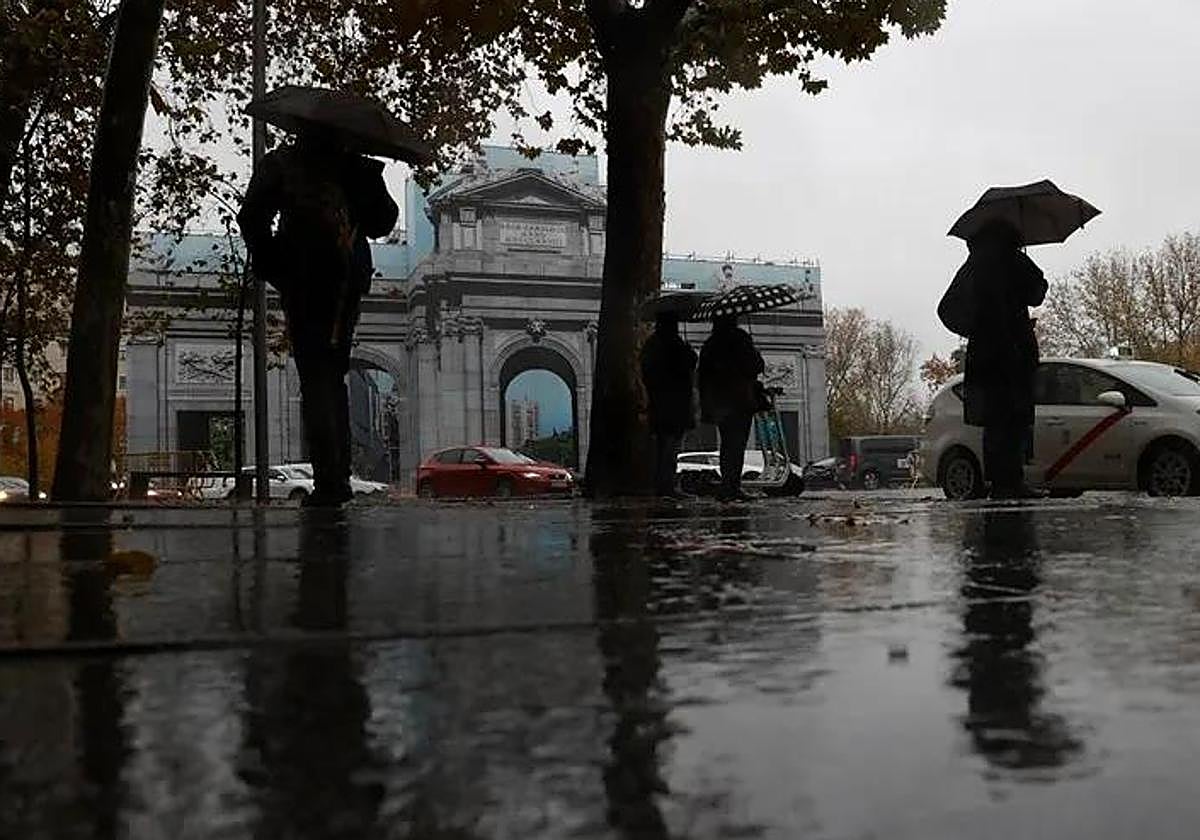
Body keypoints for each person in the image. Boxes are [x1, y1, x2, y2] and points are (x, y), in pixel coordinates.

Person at [238, 131, 399, 506]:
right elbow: (383, 222)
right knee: (334, 373)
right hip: (347, 276)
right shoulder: (356, 166)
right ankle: (336, 477)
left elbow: (252, 217)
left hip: (303, 276)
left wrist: (272, 262)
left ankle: (330, 481)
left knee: (315, 376)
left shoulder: (282, 163)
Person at [956, 220, 1048, 499]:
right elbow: (1037, 293)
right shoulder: (1013, 260)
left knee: (994, 420)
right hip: (1012, 351)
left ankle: (999, 481)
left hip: (983, 354)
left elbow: (952, 306)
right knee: (1013, 417)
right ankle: (1012, 480)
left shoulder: (974, 265)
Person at [698, 314, 764, 501]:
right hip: (740, 399)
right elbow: (756, 366)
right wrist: (755, 352)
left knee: (727, 444)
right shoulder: (740, 339)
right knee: (738, 445)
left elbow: (702, 375)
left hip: (719, 401)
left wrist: (705, 405)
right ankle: (732, 487)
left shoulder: (710, 344)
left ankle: (728, 485)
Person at [640, 312, 698, 497]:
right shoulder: (673, 344)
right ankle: (667, 487)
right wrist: (689, 353)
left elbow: (646, 371)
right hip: (674, 403)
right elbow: (686, 366)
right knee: (670, 447)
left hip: (657, 401)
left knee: (662, 446)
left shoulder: (651, 345)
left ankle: (661, 485)